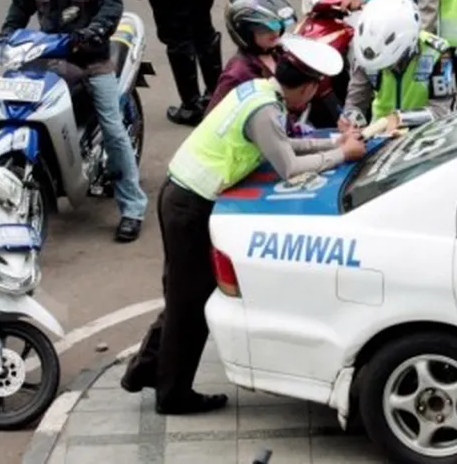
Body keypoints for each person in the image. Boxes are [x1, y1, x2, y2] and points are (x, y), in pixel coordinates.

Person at [120, 35, 368, 414]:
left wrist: (334, 142)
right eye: (314, 90)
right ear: (306, 86)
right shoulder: (266, 110)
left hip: (183, 195)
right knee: (190, 302)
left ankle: (146, 369)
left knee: (183, 294)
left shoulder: (258, 91)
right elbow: (288, 167)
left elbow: (281, 145)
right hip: (190, 204)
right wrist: (341, 154)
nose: (311, 100)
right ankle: (172, 394)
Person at [0, 0, 147, 243]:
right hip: (49, 57)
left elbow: (112, 6)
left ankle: (132, 207)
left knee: (112, 129)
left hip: (92, 59)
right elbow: (21, 6)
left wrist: (94, 31)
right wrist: (5, 35)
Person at [338, 0, 457, 134]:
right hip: (379, 137)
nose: (386, 68)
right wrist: (350, 120)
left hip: (424, 135)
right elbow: (356, 101)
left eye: (389, 63)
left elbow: (442, 111)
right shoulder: (365, 52)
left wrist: (401, 118)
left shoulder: (438, 53)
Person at [204, 0, 297, 115]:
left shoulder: (281, 54)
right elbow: (212, 117)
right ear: (245, 32)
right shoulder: (237, 73)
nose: (275, 31)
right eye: (264, 28)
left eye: (278, 24)